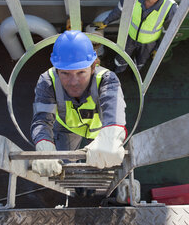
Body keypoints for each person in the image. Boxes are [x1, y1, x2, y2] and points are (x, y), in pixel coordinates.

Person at [30, 30, 127, 180]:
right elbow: (42, 120)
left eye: (81, 72)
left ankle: (97, 177)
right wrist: (44, 144)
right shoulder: (47, 81)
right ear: (57, 70)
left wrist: (111, 136)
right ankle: (73, 178)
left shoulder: (107, 79)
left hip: (100, 132)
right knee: (66, 162)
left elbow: (114, 110)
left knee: (103, 158)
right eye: (65, 73)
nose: (74, 82)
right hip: (66, 129)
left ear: (93, 67)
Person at [92, 0, 178, 73]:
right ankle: (118, 72)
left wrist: (159, 48)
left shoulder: (170, 6)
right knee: (121, 57)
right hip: (130, 36)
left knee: (141, 60)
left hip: (149, 42)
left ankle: (136, 74)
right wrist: (106, 22)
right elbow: (119, 10)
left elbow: (169, 32)